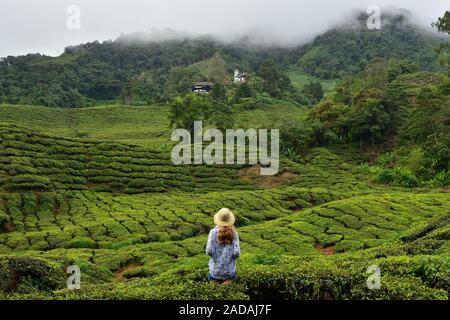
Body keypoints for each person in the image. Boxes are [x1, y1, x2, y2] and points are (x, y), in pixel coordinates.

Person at [206, 208, 240, 285]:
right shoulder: (234, 234)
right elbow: (237, 253)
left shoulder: (212, 232)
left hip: (214, 273)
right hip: (229, 273)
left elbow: (208, 251)